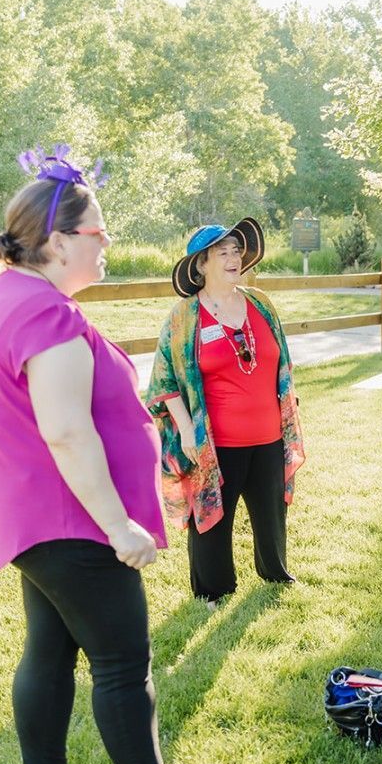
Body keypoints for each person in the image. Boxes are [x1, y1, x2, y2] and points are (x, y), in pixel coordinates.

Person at [0, 145, 218, 764]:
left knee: (48, 651)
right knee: (121, 663)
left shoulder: (11, 297)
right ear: (57, 240)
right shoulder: (45, 316)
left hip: (37, 518)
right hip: (70, 521)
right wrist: (119, 527)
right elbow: (67, 432)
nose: (108, 244)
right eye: (98, 233)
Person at [146, 220, 305, 607]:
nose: (234, 258)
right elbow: (164, 381)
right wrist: (185, 429)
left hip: (269, 434)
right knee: (212, 517)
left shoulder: (260, 304)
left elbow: (280, 364)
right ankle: (212, 589)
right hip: (216, 441)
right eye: (223, 253)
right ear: (201, 264)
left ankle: (275, 572)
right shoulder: (184, 316)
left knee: (272, 512)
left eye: (237, 250)